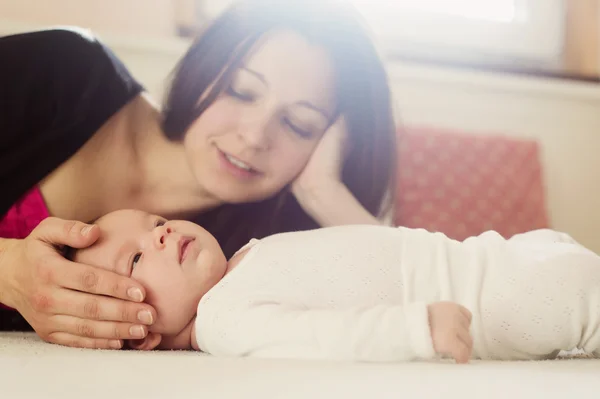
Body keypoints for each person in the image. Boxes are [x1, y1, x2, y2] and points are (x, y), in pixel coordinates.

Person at [0, 0, 397, 349]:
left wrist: (323, 193)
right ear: (205, 67)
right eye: (241, 91)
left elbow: (420, 309)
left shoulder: (240, 258)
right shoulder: (63, 71)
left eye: (298, 124)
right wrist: (8, 269)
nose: (254, 136)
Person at [70, 209, 600, 363]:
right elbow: (326, 337)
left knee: (571, 273)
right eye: (136, 256)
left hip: (483, 255)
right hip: (482, 306)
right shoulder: (224, 322)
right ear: (140, 333)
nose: (159, 233)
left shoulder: (239, 264)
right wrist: (416, 328)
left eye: (154, 220)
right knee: (577, 291)